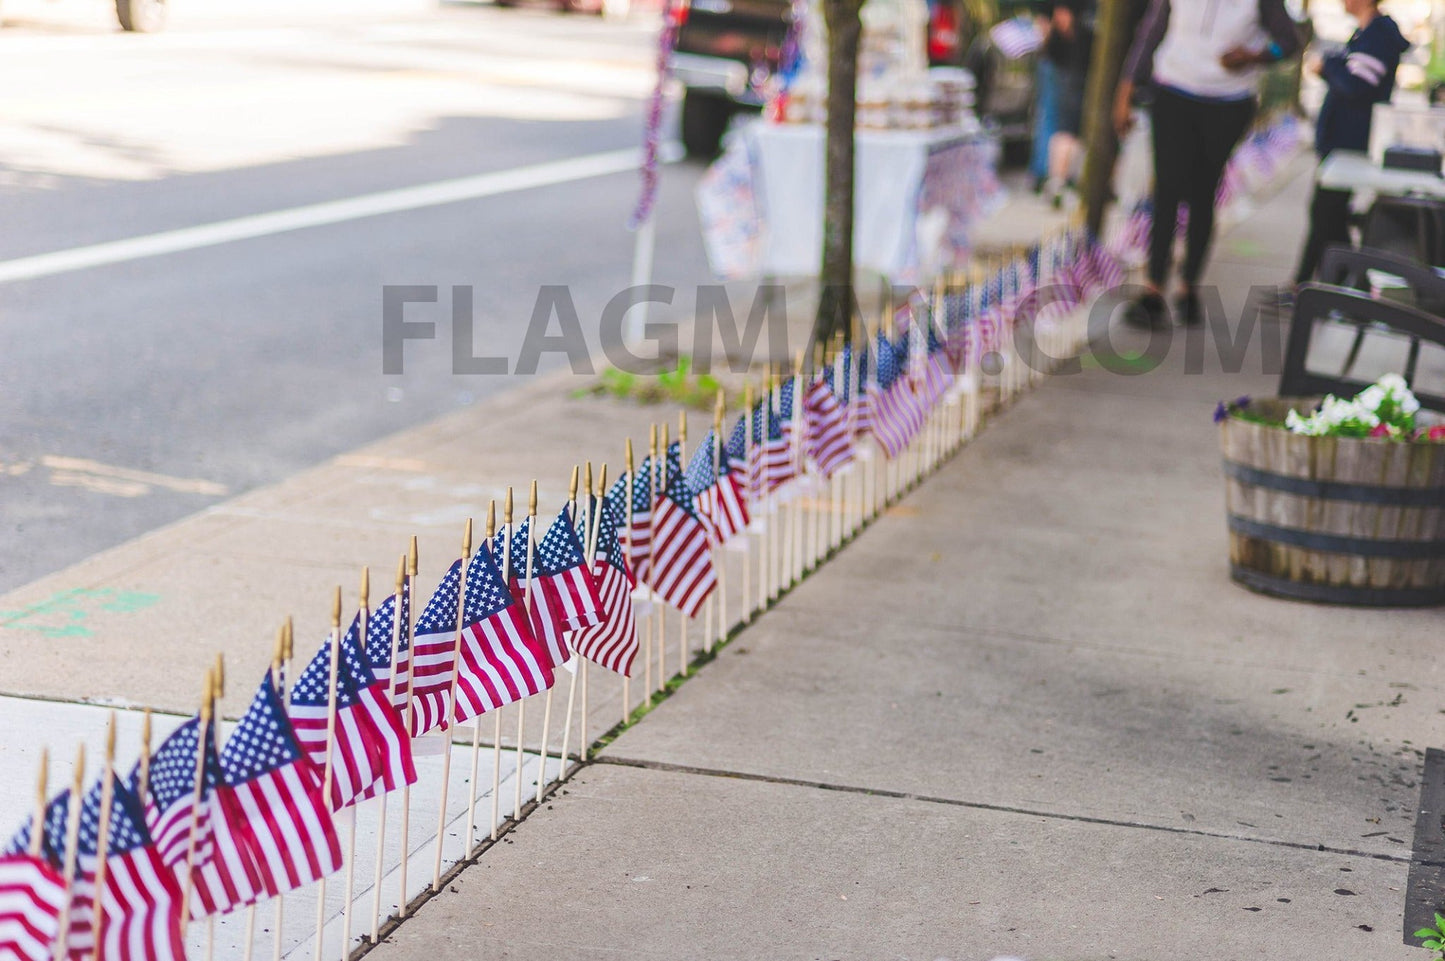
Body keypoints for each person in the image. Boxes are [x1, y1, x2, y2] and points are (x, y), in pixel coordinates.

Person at [1114, 0, 1302, 326]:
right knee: (1166, 191)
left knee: (1203, 193)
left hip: (1228, 102)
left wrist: (1254, 56)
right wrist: (1125, 92)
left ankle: (1188, 289)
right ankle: (1153, 290)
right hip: (1174, 91)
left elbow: (1289, 43)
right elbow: (1150, 33)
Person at [1289, 0, 1408, 290]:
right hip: (1340, 140)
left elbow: (1357, 86)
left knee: (1327, 215)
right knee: (1324, 214)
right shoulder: (1366, 33)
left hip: (1349, 141)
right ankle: (1310, 286)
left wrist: (1327, 66)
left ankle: (1347, 287)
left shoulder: (1378, 34)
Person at [1040, 0, 1094, 207]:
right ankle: (1058, 180)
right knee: (1067, 131)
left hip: (1073, 75)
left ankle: (1060, 180)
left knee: (1067, 132)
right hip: (1071, 77)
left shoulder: (1081, 31)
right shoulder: (1077, 31)